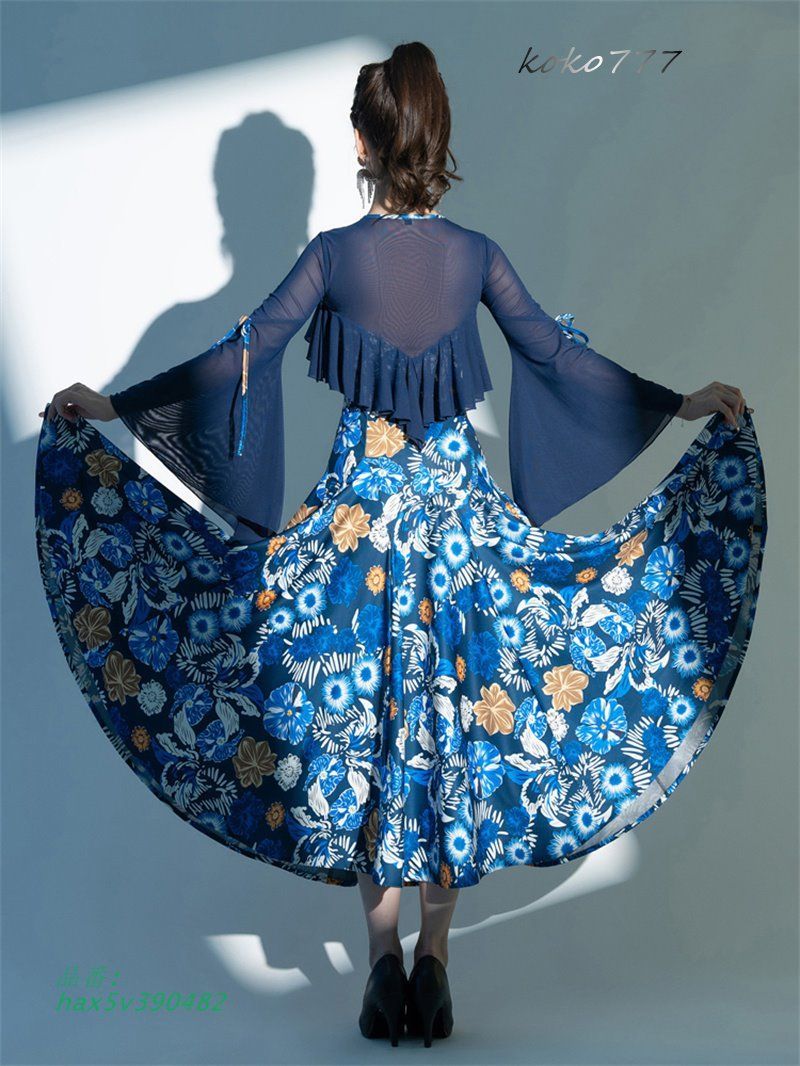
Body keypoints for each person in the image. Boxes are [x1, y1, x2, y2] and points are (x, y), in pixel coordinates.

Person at [35, 42, 766, 1049]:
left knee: (362, 729)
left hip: (357, 532)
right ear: (438, 138)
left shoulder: (333, 256)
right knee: (449, 729)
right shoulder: (473, 255)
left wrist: (115, 407)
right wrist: (680, 404)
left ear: (361, 144)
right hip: (458, 531)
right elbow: (558, 358)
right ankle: (436, 962)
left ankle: (381, 965)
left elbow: (244, 354)